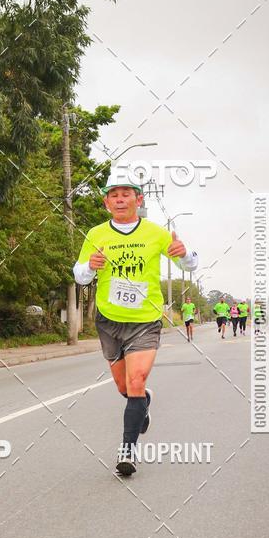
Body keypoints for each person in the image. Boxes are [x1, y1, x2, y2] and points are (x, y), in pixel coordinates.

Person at [73, 173, 198, 477]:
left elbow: (189, 263)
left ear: (138, 200)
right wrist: (90, 266)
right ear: (106, 203)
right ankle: (143, 403)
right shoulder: (96, 233)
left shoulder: (157, 233)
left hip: (144, 320)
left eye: (126, 194)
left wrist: (185, 255)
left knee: (136, 380)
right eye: (113, 195)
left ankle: (127, 451)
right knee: (123, 387)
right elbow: (79, 275)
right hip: (109, 321)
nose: (119, 199)